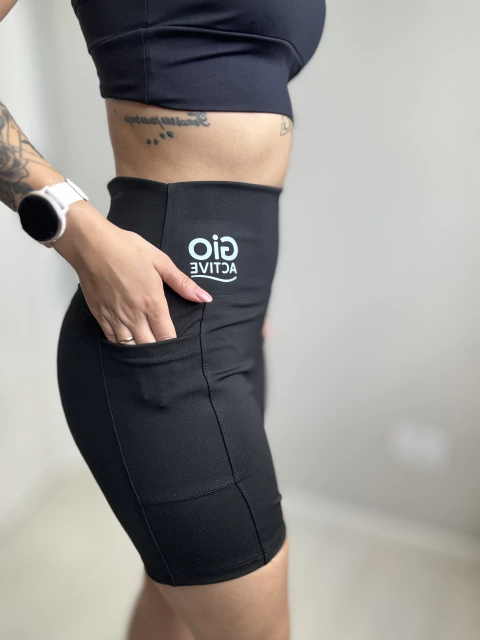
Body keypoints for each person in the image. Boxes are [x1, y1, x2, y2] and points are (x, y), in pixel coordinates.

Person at [1, 1, 327, 638]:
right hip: (151, 328)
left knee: (174, 594)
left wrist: (246, 293)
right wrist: (78, 232)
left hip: (232, 321)